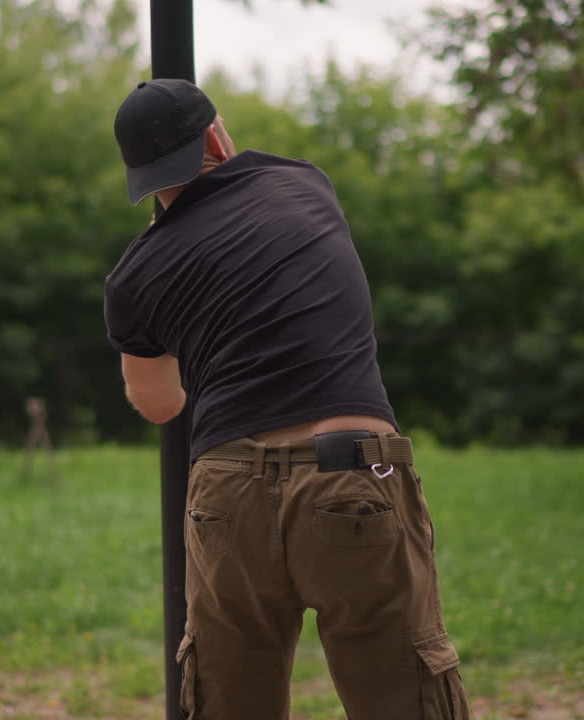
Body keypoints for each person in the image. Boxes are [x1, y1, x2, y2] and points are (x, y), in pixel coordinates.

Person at [105, 78, 470, 720]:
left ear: (139, 180)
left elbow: (158, 401)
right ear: (217, 136)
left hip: (227, 489)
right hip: (351, 471)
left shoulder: (135, 275)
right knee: (405, 700)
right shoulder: (304, 184)